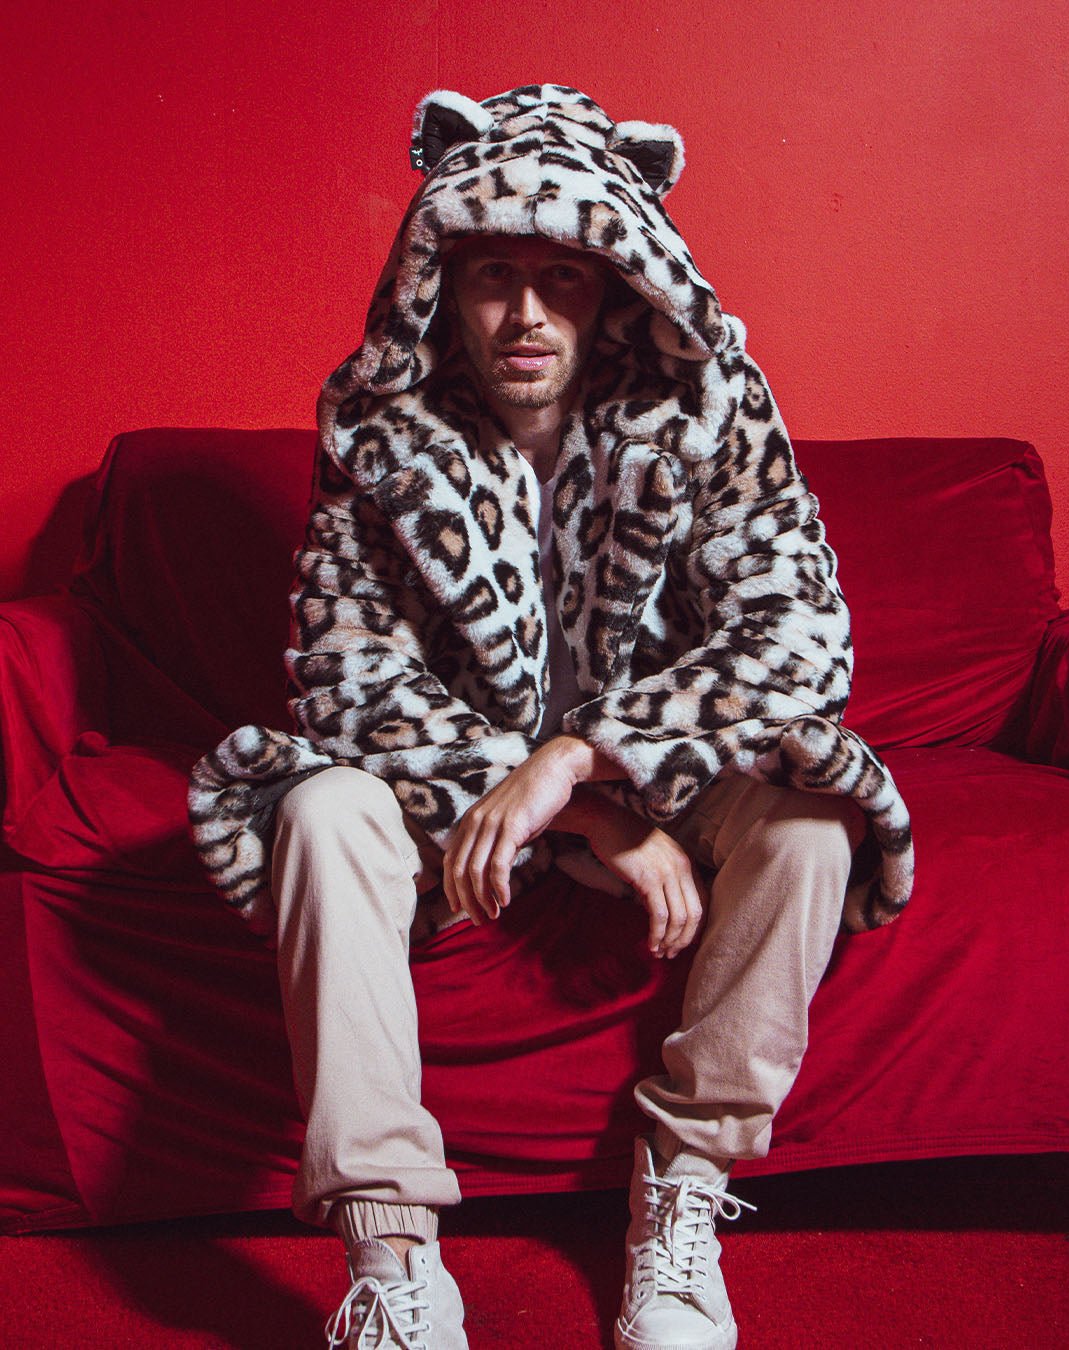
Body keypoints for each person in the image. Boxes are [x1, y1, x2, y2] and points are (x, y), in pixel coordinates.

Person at [189, 84, 914, 1349]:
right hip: (453, 799)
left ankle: (682, 1192)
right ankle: (393, 1261)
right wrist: (565, 805)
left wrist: (593, 758)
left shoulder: (711, 406)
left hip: (667, 784)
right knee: (314, 809)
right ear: (441, 280)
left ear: (618, 284)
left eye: (563, 279)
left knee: (810, 822)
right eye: (493, 276)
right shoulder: (380, 425)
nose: (525, 315)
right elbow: (345, 675)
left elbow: (797, 644)